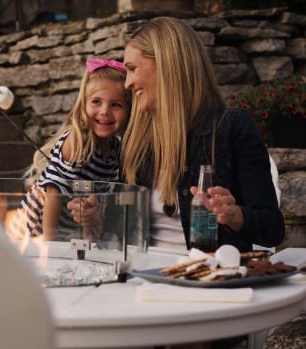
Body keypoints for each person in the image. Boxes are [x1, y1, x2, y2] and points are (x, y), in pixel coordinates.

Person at [120, 16, 285, 254]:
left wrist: (234, 215)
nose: (127, 83)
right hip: (145, 280)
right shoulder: (136, 141)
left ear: (167, 65)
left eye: (132, 69)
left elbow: (273, 230)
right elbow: (123, 239)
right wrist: (97, 219)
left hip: (210, 279)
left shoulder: (232, 127)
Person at [21, 58, 131, 241]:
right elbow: (53, 192)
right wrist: (50, 244)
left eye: (116, 105)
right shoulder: (77, 141)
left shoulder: (115, 149)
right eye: (96, 102)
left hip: (67, 234)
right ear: (84, 104)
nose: (105, 111)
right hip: (35, 230)